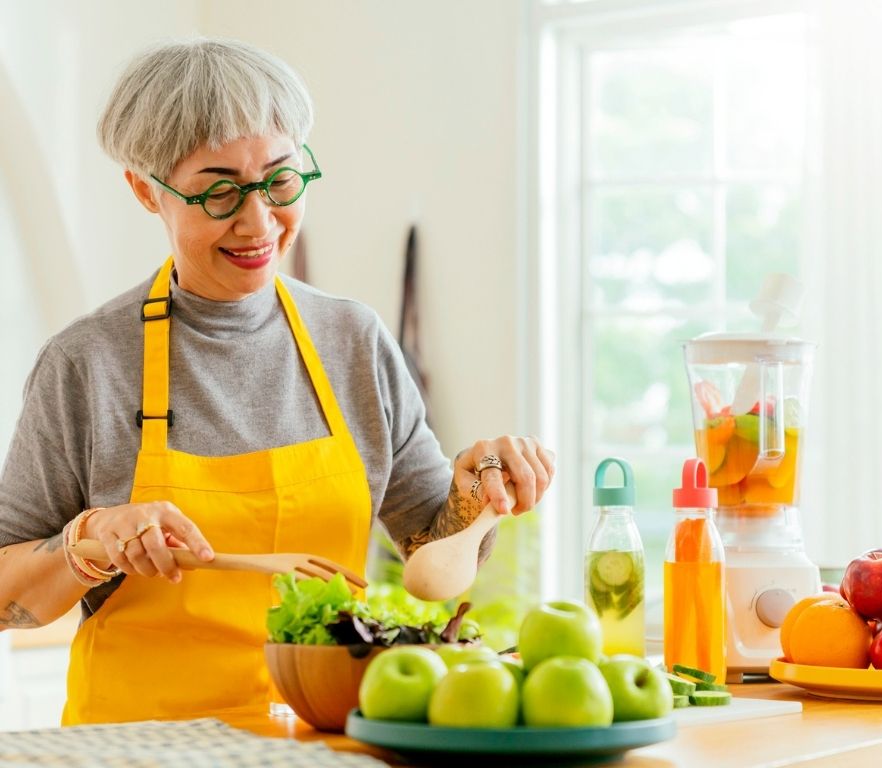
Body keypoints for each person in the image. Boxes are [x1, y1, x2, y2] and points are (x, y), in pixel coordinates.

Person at [0, 38, 555, 725]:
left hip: (321, 739)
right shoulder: (88, 366)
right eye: (219, 190)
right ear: (146, 190)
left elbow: (428, 550)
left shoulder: (353, 342)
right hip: (135, 747)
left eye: (281, 181)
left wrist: (479, 491)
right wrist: (91, 538)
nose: (259, 221)